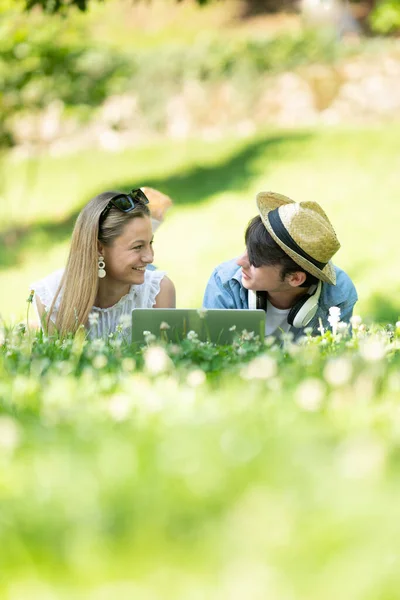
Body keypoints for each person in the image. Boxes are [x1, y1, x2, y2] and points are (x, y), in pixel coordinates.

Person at [203, 191, 358, 340]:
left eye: (255, 260)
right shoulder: (224, 283)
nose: (240, 262)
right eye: (247, 249)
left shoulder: (339, 295)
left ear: (296, 278)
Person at [30, 188, 175, 338]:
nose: (150, 257)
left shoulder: (158, 292)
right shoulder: (52, 297)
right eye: (138, 246)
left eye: (150, 243)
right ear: (99, 248)